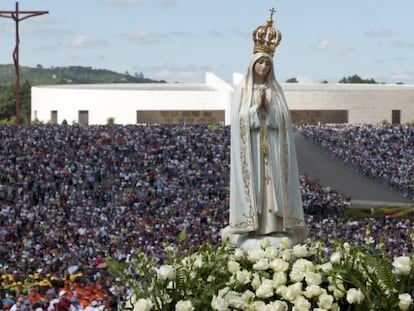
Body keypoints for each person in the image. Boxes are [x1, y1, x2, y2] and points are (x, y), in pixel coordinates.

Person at [224, 9, 307, 246]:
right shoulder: (243, 91)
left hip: (272, 146)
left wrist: (268, 110)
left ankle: (275, 225)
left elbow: (283, 121)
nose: (263, 66)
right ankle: (254, 225)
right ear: (252, 64)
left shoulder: (276, 91)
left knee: (273, 186)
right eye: (260, 62)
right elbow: (240, 122)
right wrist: (255, 108)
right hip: (251, 150)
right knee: (257, 187)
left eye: (267, 63)